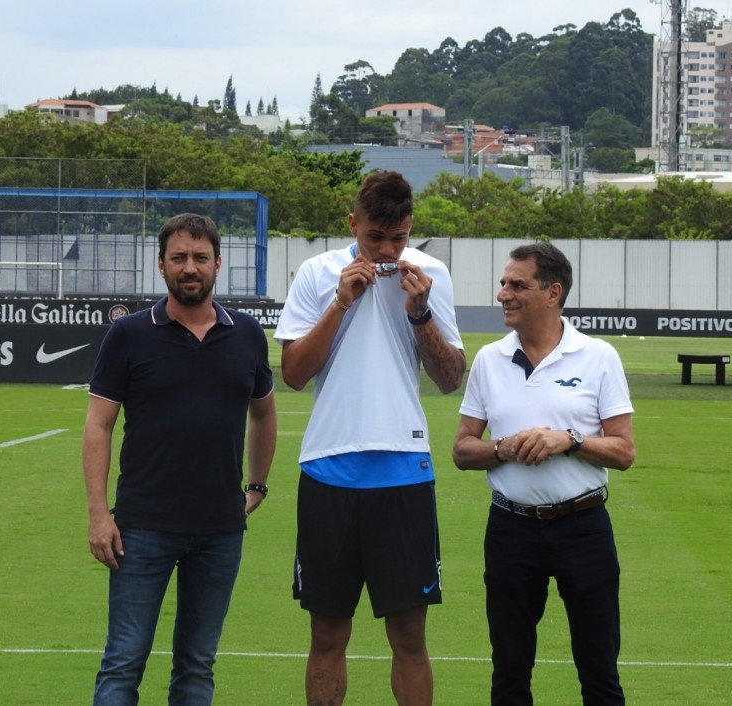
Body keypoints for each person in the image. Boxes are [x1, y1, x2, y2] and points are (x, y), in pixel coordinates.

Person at [273, 170, 466, 705]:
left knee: (409, 638)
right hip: (328, 471)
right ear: (352, 223)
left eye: (398, 238)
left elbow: (451, 380)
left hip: (403, 470)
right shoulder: (317, 272)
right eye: (374, 238)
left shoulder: (430, 275)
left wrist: (421, 312)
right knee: (328, 634)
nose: (386, 250)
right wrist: (340, 302)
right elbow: (291, 373)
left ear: (410, 228)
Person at [83, 213, 277, 705]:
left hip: (220, 531)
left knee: (196, 668)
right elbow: (98, 426)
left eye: (200, 258)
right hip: (141, 528)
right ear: (161, 265)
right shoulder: (129, 334)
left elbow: (264, 414)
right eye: (179, 258)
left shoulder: (248, 334)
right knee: (123, 662)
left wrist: (256, 487)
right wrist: (99, 515)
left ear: (217, 264)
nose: (190, 268)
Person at [452, 242, 636, 706]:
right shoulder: (490, 359)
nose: (503, 294)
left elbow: (623, 451)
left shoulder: (598, 356)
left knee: (599, 673)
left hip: (583, 529)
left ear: (553, 293)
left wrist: (568, 440)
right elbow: (462, 450)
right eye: (503, 283)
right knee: (509, 674)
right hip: (510, 530)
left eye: (518, 285)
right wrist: (502, 448)